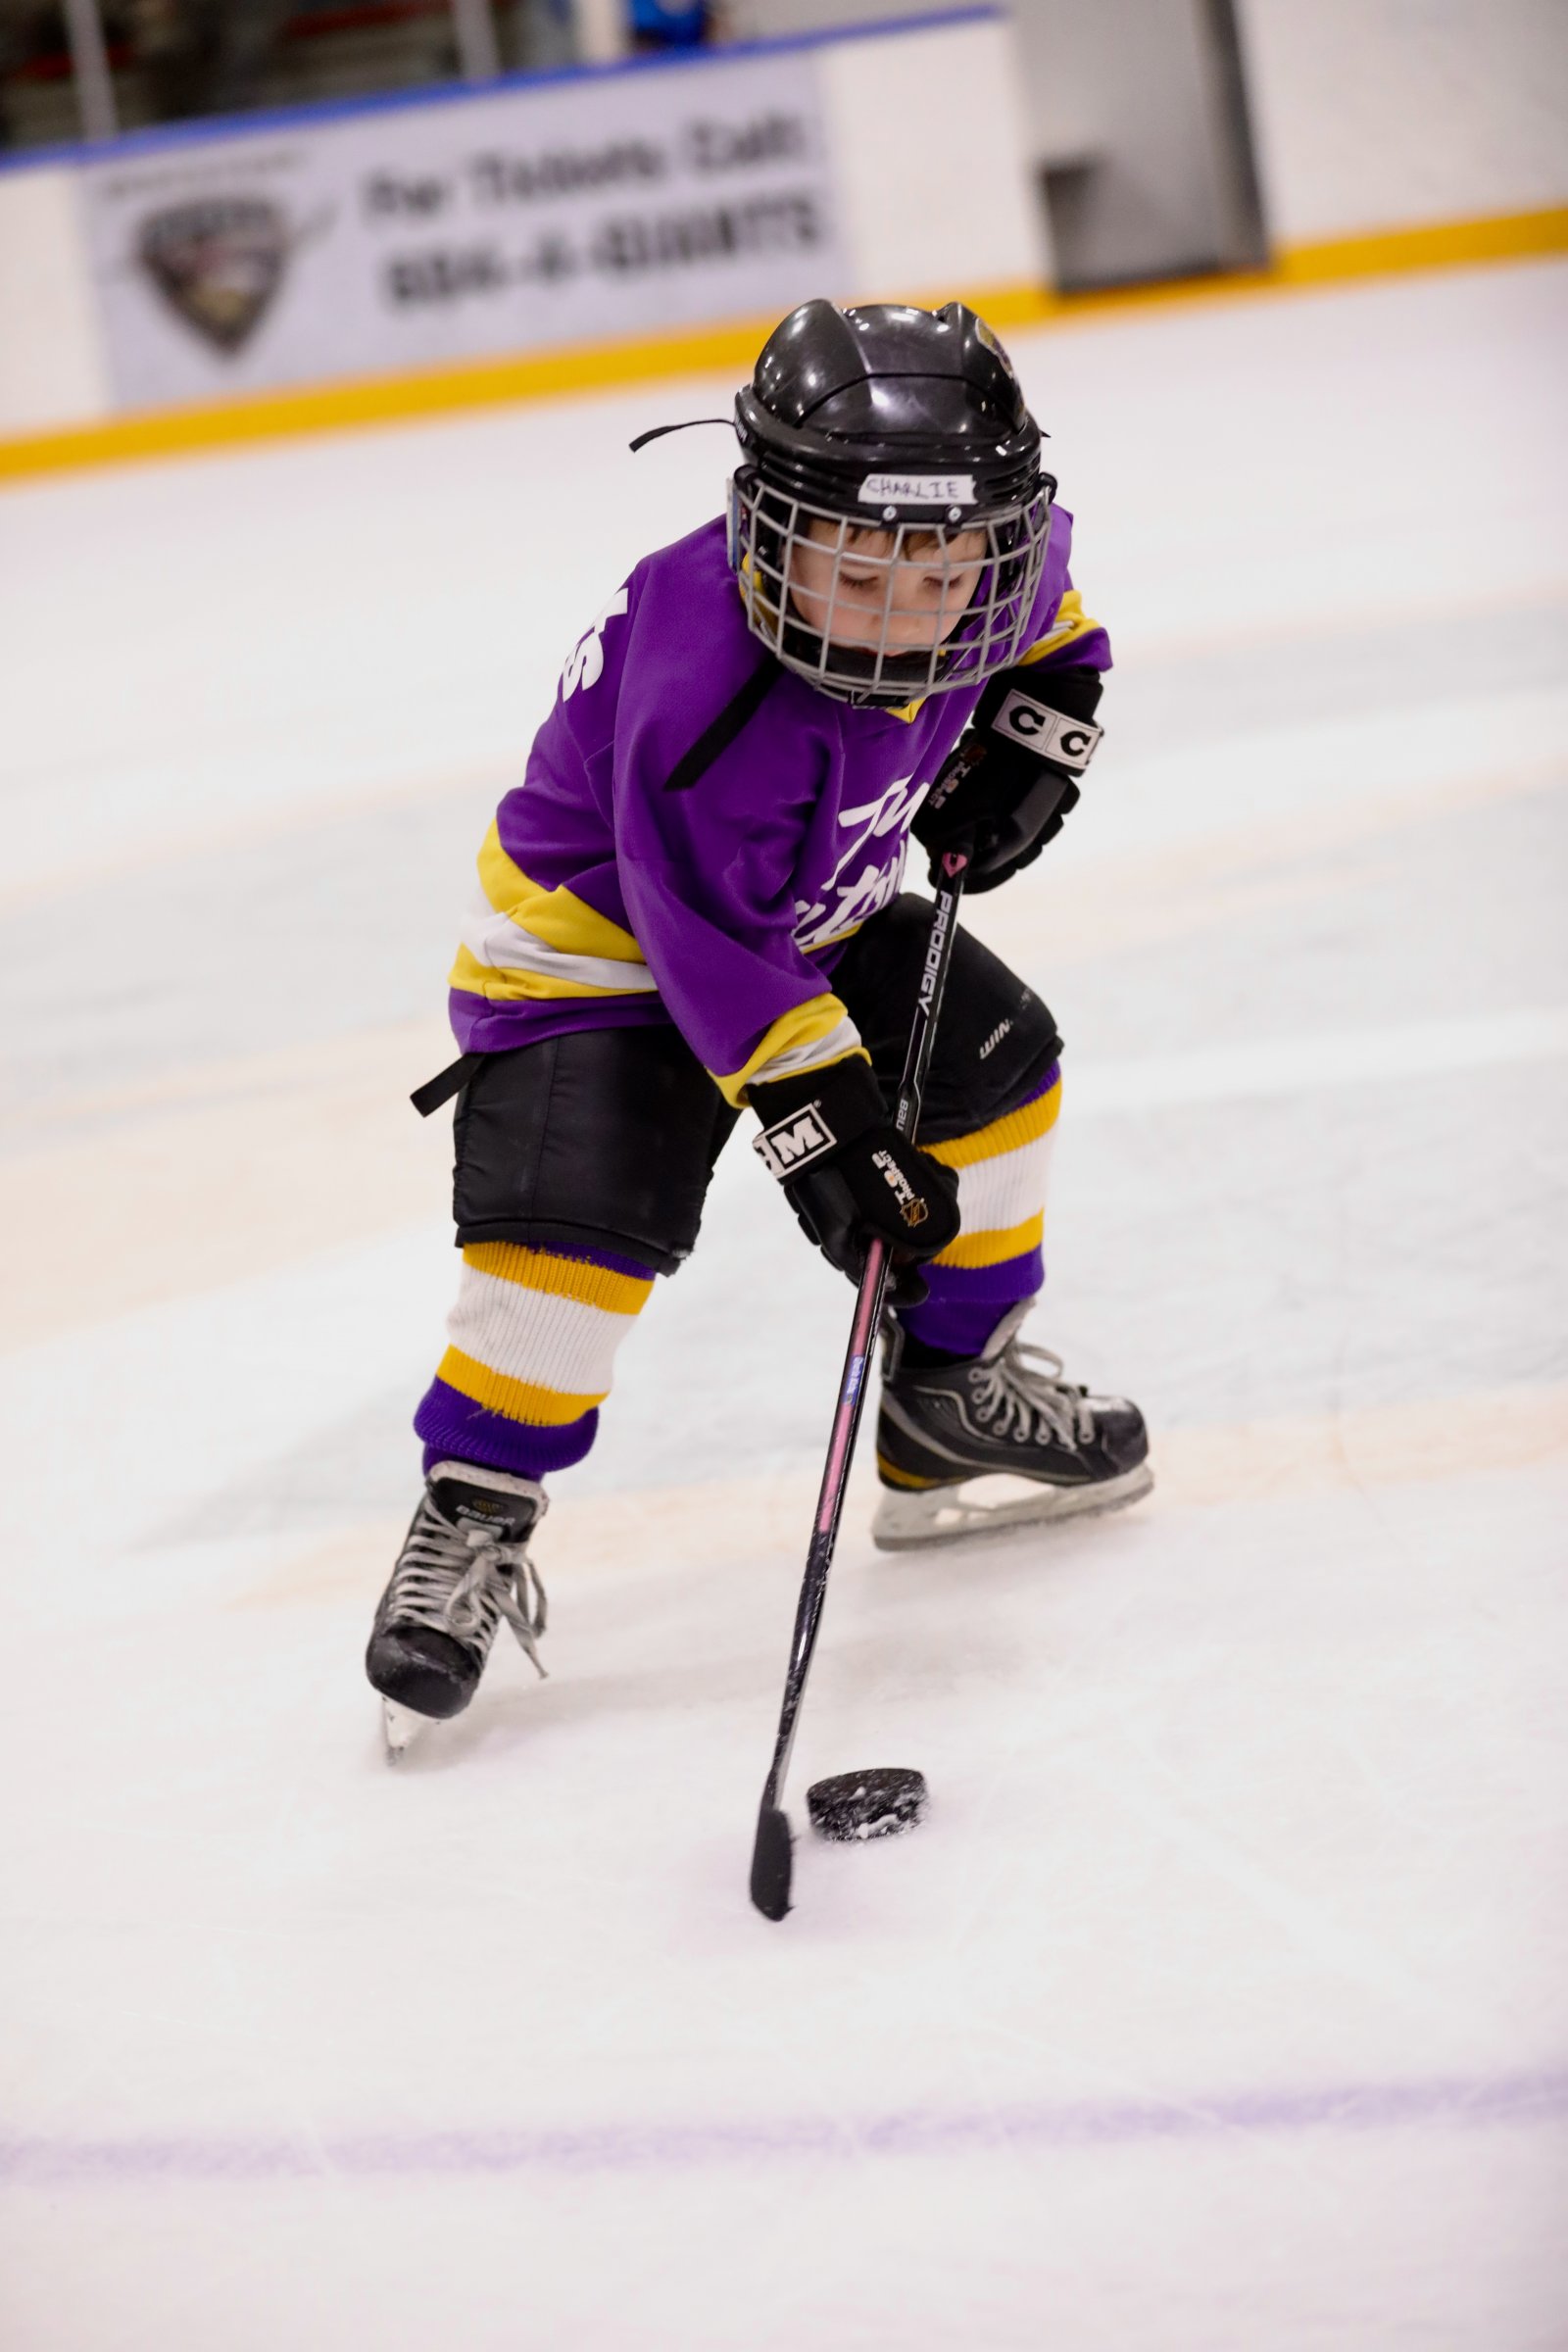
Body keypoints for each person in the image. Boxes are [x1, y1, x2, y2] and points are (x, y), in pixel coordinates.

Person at [365, 298, 1152, 1742]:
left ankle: (946, 1399)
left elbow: (1055, 621)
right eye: (855, 573)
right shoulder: (707, 693)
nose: (904, 615)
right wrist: (829, 1131)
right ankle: (472, 1512)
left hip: (809, 919)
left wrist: (1045, 721)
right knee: (574, 1225)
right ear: (769, 531)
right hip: (602, 958)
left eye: (941, 577)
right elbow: (706, 940)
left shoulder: (1000, 550)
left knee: (998, 1072)